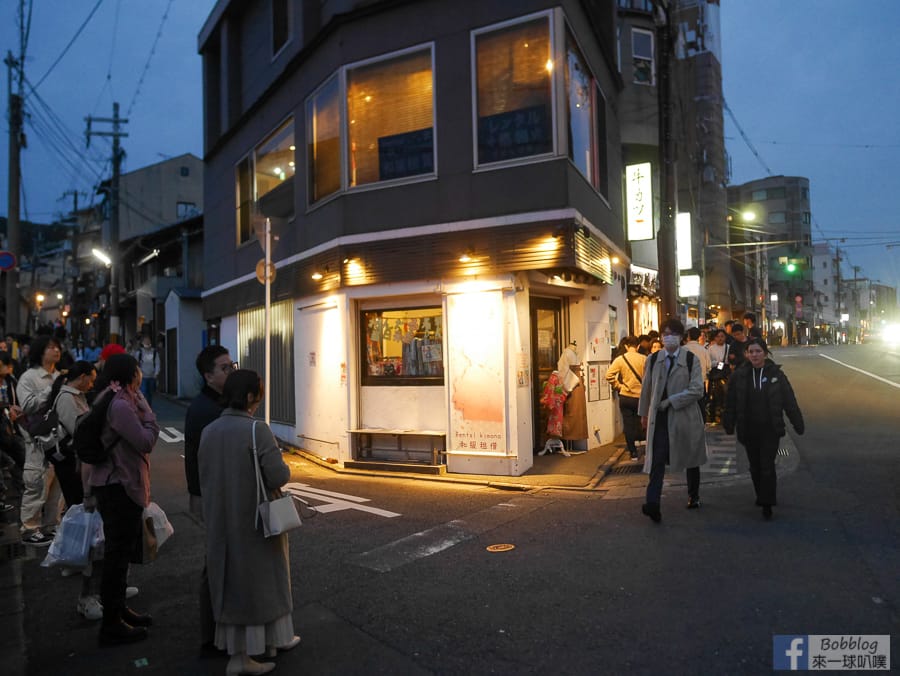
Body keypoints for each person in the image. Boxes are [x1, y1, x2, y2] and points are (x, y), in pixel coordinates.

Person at [199, 369, 299, 675]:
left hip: (221, 519)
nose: (260, 399)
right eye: (259, 394)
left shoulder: (210, 431)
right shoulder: (257, 430)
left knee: (232, 583)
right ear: (251, 397)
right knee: (263, 584)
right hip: (256, 521)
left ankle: (254, 648)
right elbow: (278, 475)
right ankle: (244, 658)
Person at [88, 353, 159, 645]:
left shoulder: (110, 396)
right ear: (131, 374)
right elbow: (145, 441)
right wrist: (149, 415)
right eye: (137, 370)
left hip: (114, 484)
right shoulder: (120, 405)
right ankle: (111, 624)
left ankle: (119, 612)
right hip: (119, 485)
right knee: (117, 555)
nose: (140, 373)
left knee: (120, 553)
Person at [184, 344, 234, 652]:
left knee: (220, 560)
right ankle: (211, 634)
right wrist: (197, 495)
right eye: (225, 367)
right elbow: (194, 457)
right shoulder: (205, 409)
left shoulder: (217, 402)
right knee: (215, 562)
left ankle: (220, 629)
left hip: (219, 493)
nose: (231, 370)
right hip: (215, 495)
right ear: (208, 375)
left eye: (232, 365)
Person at [723, 338, 804, 520]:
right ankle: (761, 494)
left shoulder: (776, 375)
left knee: (767, 465)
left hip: (770, 428)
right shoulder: (739, 375)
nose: (754, 355)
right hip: (748, 428)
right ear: (746, 354)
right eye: (751, 352)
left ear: (765, 353)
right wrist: (729, 422)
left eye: (758, 351)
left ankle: (767, 502)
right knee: (755, 466)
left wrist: (797, 422)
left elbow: (789, 400)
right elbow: (731, 402)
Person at [638, 318, 707, 522]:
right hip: (659, 419)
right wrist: (643, 414)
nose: (668, 337)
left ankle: (693, 495)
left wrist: (671, 401)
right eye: (665, 333)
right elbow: (646, 390)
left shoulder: (690, 359)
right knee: (657, 459)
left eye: (673, 334)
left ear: (681, 337)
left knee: (690, 457)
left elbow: (697, 390)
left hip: (684, 416)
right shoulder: (652, 359)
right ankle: (653, 503)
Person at [16, 335, 63, 546]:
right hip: (37, 440)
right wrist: (51, 390)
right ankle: (29, 528)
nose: (56, 351)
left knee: (56, 486)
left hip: (59, 439)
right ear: (40, 352)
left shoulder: (60, 375)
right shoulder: (29, 377)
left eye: (57, 347)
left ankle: (50, 526)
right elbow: (26, 406)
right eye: (51, 347)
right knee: (36, 483)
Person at [606, 336, 647, 460]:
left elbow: (609, 375)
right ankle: (644, 448)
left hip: (626, 396)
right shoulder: (644, 359)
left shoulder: (620, 359)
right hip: (641, 397)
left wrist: (619, 386)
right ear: (638, 346)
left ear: (626, 346)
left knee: (628, 424)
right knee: (642, 422)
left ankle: (633, 452)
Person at [682, 327, 712, 422]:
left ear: (688, 336)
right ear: (699, 336)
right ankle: (701, 424)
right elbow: (709, 366)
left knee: (686, 405)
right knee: (700, 405)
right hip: (700, 381)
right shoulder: (703, 350)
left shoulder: (683, 349)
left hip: (685, 382)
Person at [705, 329, 731, 424]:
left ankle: (724, 416)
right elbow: (708, 362)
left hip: (725, 375)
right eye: (718, 336)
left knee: (726, 395)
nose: (720, 338)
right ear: (715, 338)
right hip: (715, 376)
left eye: (722, 336)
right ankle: (715, 416)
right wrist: (717, 363)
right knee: (714, 396)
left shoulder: (729, 347)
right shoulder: (710, 349)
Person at [134, 335, 160, 407]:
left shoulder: (154, 352)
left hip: (152, 376)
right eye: (145, 341)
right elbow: (136, 364)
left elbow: (157, 363)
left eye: (148, 341)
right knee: (143, 392)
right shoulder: (139, 353)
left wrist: (156, 373)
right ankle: (144, 408)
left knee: (149, 394)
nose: (147, 342)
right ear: (142, 343)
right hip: (143, 376)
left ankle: (148, 408)